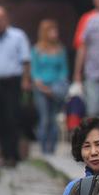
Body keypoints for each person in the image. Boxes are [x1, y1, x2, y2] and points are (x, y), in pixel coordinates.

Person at [0, 6, 31, 167]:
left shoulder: (18, 36)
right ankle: (4, 153)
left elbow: (25, 60)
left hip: (13, 81)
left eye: (0, 19)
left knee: (12, 117)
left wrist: (25, 80)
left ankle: (13, 153)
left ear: (7, 19)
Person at [30, 19, 69, 155]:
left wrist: (56, 87)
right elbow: (34, 70)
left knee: (54, 118)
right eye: (51, 31)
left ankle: (51, 148)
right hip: (41, 88)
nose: (54, 33)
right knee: (44, 118)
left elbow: (64, 70)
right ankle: (43, 148)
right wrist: (42, 86)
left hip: (55, 88)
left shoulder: (60, 49)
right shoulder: (37, 50)